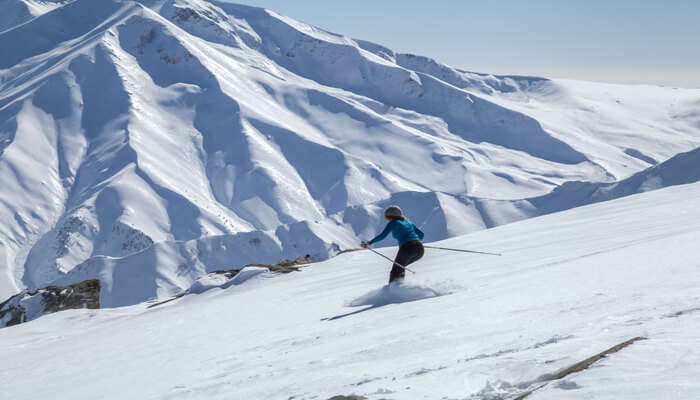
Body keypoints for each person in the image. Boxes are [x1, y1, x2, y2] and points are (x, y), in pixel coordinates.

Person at [361, 205, 425, 283]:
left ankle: (394, 290)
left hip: (407, 248)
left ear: (389, 216)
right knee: (400, 267)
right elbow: (421, 234)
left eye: (386, 215)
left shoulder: (393, 223)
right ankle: (400, 287)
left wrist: (369, 243)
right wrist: (415, 241)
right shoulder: (409, 223)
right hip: (420, 249)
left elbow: (382, 235)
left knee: (397, 269)